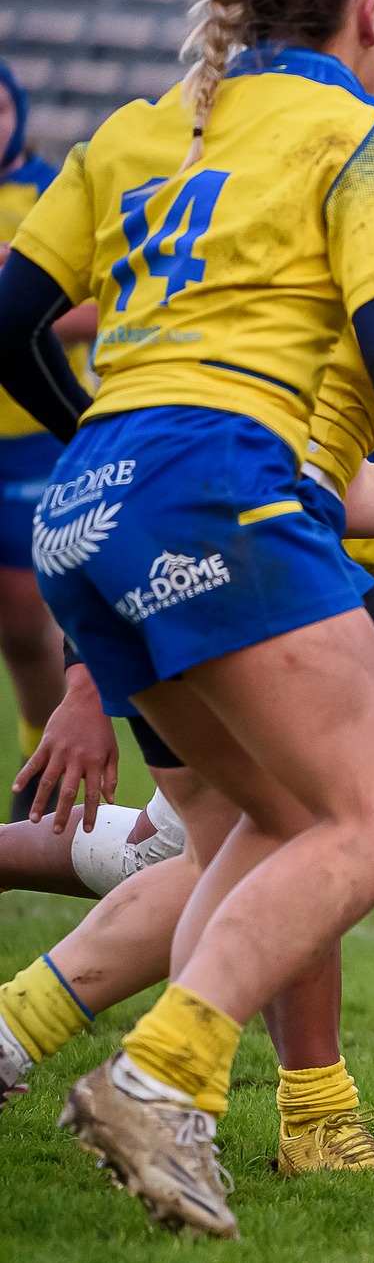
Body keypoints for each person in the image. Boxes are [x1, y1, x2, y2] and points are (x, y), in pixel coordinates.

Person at [0, 0, 374, 1237]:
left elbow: (7, 322)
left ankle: (117, 1064)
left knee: (274, 821)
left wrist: (109, 438)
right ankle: (157, 1076)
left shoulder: (144, 127)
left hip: (86, 503)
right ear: (369, 10)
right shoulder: (368, 133)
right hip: (228, 489)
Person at [0, 58, 98, 822]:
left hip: (36, 438)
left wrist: (16, 308)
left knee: (26, 623)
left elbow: (103, 302)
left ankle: (38, 758)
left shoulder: (51, 191)